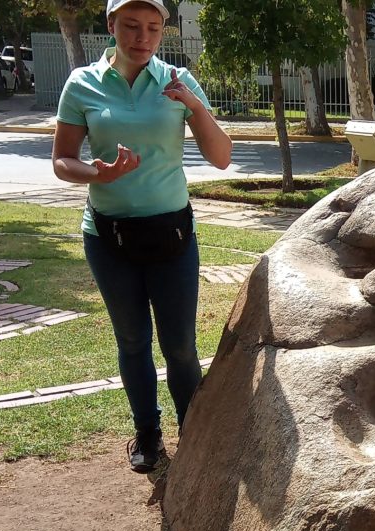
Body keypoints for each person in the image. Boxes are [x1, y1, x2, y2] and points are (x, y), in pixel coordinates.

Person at [52, 0, 232, 473]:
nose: (142, 37)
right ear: (111, 25)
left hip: (172, 235)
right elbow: (62, 160)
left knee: (181, 346)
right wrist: (99, 173)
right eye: (131, 26)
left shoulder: (177, 80)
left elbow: (221, 158)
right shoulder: (83, 83)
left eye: (153, 28)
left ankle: (194, 431)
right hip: (108, 237)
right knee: (132, 340)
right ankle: (148, 433)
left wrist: (195, 108)